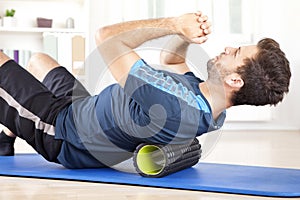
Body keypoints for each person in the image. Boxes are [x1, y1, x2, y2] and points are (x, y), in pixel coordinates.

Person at [0, 12, 291, 169]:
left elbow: (107, 39)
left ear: (236, 81)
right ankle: (6, 137)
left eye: (236, 52)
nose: (228, 48)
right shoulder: (209, 106)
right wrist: (183, 36)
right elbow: (173, 60)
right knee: (40, 61)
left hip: (62, 131)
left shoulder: (177, 109)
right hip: (84, 106)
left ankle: (15, 122)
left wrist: (173, 23)